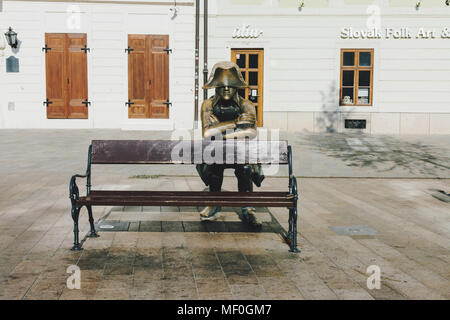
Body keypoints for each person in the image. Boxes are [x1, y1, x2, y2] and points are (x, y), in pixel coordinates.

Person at [196, 61, 264, 229]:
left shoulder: (246, 105)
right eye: (222, 85)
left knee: (245, 169)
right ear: (215, 87)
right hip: (216, 152)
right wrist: (234, 122)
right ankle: (214, 203)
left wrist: (219, 130)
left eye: (230, 85)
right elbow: (206, 133)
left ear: (237, 86)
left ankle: (247, 207)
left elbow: (251, 132)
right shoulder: (208, 105)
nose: (226, 89)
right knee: (214, 167)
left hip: (240, 151)